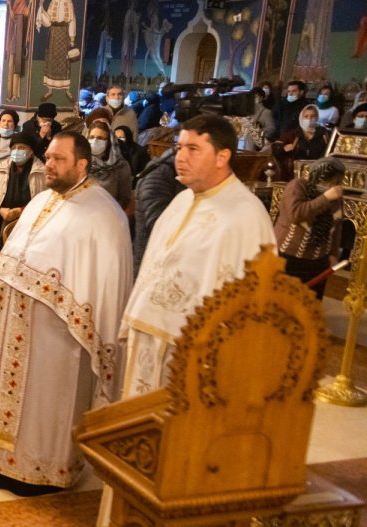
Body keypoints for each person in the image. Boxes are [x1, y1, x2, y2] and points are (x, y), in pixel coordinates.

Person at [0, 133, 132, 496]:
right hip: (18, 323)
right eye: (48, 157)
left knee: (47, 403)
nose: (49, 164)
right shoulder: (41, 200)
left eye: (59, 159)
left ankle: (43, 469)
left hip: (59, 338)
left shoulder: (104, 214)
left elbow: (104, 285)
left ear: (81, 164)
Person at [121, 114, 274, 399]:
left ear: (222, 156)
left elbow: (252, 300)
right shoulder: (182, 200)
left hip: (192, 357)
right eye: (179, 148)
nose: (180, 157)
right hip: (150, 341)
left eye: (193, 149)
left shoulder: (246, 215)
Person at [274, 156, 345, 299]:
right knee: (284, 304)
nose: (333, 186)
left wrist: (333, 254)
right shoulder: (298, 186)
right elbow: (297, 214)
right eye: (330, 181)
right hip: (289, 258)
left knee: (311, 305)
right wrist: (325, 198)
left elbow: (336, 227)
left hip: (319, 261)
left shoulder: (336, 197)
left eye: (337, 181)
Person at [0, 132, 45, 255]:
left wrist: (20, 210)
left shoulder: (41, 172)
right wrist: (0, 210)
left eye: (21, 148)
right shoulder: (0, 168)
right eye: (14, 148)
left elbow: (45, 203)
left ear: (31, 151)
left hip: (27, 229)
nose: (17, 151)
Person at [130, 147, 184, 275]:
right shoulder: (159, 175)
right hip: (154, 265)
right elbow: (160, 228)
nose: (185, 154)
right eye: (183, 147)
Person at [87, 121, 133, 215]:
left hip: (109, 216)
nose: (95, 141)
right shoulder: (81, 162)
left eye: (100, 138)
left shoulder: (120, 166)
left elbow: (124, 199)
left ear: (109, 141)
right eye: (91, 137)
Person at [276, 104, 330, 179]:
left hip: (318, 174)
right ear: (301, 117)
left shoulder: (324, 134)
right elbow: (276, 149)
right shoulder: (293, 134)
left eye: (312, 116)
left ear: (317, 118)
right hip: (295, 174)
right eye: (306, 116)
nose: (309, 119)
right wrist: (283, 149)